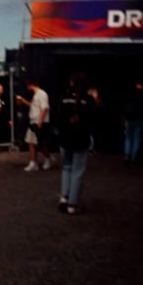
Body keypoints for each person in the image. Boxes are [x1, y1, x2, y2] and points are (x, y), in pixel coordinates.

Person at [56, 72, 96, 215]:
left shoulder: (63, 98)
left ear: (71, 82)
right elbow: (92, 122)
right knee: (77, 171)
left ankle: (64, 198)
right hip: (81, 139)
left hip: (65, 139)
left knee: (66, 168)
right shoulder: (89, 100)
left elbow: (59, 120)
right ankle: (72, 204)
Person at [16, 78, 53, 171]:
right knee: (31, 142)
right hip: (33, 121)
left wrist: (40, 121)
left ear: (31, 85)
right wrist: (23, 101)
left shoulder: (42, 94)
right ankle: (33, 162)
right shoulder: (36, 95)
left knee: (40, 143)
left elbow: (44, 108)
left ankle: (49, 158)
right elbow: (33, 106)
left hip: (39, 121)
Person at [122, 79, 143, 166]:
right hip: (140, 118)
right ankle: (133, 157)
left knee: (128, 136)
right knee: (137, 137)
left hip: (129, 117)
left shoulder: (130, 91)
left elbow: (124, 104)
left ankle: (127, 154)